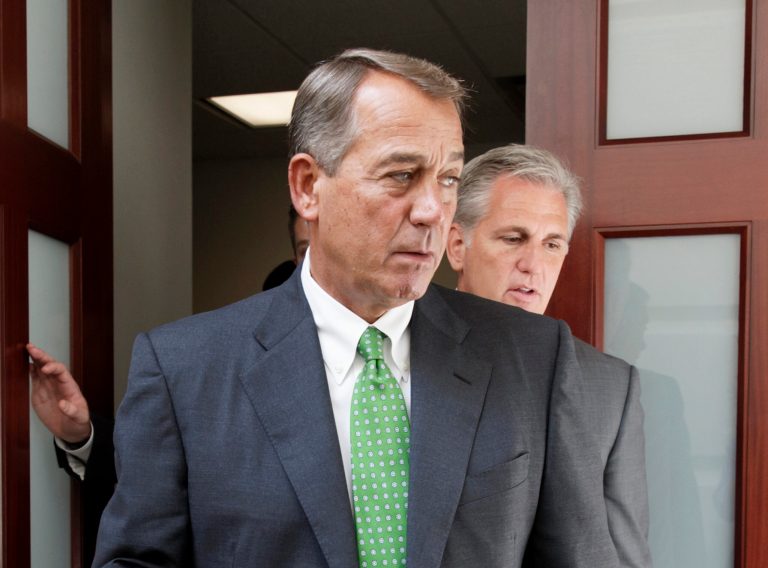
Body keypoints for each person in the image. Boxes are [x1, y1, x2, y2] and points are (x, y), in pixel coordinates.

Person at [92, 48, 617, 567]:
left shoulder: (531, 357)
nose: (433, 211)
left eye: (449, 179)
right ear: (308, 187)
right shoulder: (184, 369)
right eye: (400, 175)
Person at [446, 144, 652, 567]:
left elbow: (623, 555)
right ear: (456, 246)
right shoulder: (395, 352)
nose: (533, 264)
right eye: (513, 238)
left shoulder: (610, 386)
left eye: (552, 244)